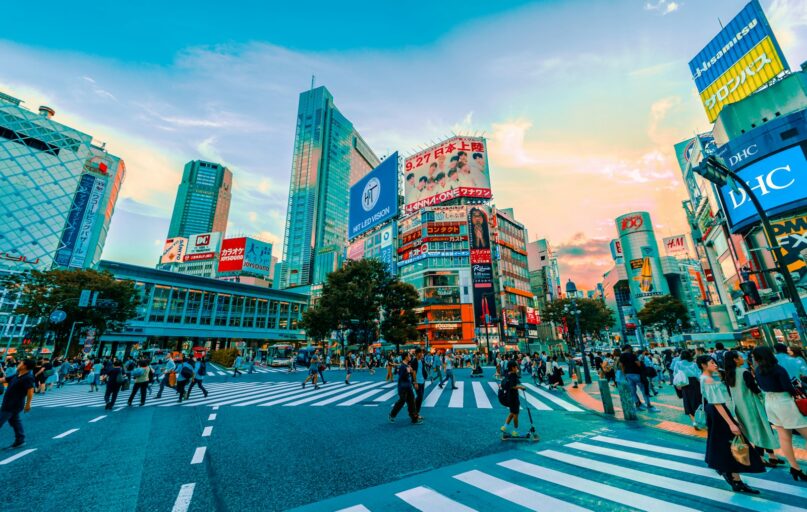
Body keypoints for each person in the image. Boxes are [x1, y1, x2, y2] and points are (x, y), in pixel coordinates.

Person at [698, 355, 764, 493]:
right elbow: (717, 403)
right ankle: (733, 477)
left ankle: (733, 476)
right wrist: (731, 423)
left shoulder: (704, 377)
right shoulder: (709, 379)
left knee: (725, 445)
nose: (715, 364)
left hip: (714, 413)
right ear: (704, 365)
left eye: (715, 362)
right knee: (733, 443)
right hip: (719, 412)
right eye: (711, 363)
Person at [753, 345, 807, 481]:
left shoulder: (758, 370)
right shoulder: (778, 369)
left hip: (770, 402)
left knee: (784, 436)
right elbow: (788, 387)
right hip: (784, 402)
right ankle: (795, 469)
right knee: (804, 431)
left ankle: (795, 467)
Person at [724, 350, 782, 467]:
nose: (743, 358)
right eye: (740, 356)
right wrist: (764, 394)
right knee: (761, 429)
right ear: (735, 360)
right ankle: (761, 457)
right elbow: (754, 388)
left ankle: (772, 456)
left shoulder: (729, 374)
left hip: (740, 407)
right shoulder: (744, 372)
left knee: (757, 430)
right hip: (752, 404)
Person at [0, 358, 35, 448]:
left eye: (21, 363)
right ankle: (20, 440)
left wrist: (28, 404)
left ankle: (20, 439)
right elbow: (4, 380)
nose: (18, 364)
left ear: (24, 366)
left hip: (13, 405)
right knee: (15, 421)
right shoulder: (17, 375)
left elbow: (30, 391)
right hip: (8, 402)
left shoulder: (28, 377)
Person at [619, 345, 658, 412]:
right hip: (637, 374)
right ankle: (649, 405)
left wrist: (625, 373)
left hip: (628, 375)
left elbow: (621, 365)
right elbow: (638, 364)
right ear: (628, 348)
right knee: (643, 389)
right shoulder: (632, 355)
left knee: (632, 391)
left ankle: (638, 405)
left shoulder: (622, 356)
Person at [388, 352, 422, 424]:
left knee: (412, 402)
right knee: (402, 401)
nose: (410, 357)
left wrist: (411, 373)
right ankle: (392, 415)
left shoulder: (407, 365)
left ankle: (414, 418)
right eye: (409, 356)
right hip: (403, 387)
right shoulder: (402, 366)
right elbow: (401, 377)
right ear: (406, 357)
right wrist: (408, 372)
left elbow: (409, 375)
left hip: (408, 387)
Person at [674, 349, 703, 429]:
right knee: (697, 401)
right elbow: (698, 374)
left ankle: (694, 421)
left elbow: (675, 373)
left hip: (685, 383)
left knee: (688, 402)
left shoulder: (678, 363)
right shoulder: (694, 364)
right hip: (695, 383)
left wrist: (677, 385)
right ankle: (700, 418)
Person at [500, 360, 526, 437]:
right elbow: (512, 386)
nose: (517, 368)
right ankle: (515, 431)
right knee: (516, 414)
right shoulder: (513, 375)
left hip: (509, 396)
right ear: (512, 367)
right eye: (516, 367)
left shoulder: (508, 374)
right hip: (513, 397)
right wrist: (521, 387)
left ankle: (504, 427)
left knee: (512, 412)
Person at [411, 349, 428, 415]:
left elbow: (423, 369)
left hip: (422, 381)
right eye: (420, 353)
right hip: (417, 382)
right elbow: (414, 373)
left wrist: (425, 376)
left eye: (422, 353)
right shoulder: (414, 361)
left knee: (421, 397)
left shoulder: (422, 360)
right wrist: (415, 383)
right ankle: (415, 411)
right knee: (420, 396)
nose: (422, 354)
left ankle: (416, 412)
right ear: (417, 353)